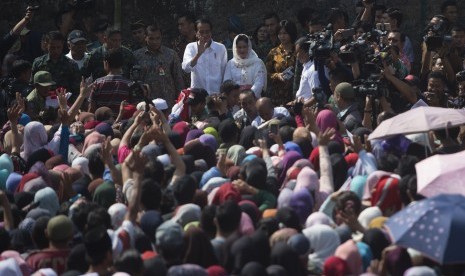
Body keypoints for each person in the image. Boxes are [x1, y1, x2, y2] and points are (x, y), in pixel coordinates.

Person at [134, 24, 184, 107]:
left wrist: (180, 100)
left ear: (161, 38)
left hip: (167, 102)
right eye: (151, 38)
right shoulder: (137, 56)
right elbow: (134, 80)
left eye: (158, 38)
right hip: (145, 102)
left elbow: (178, 78)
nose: (155, 41)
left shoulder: (171, 54)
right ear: (145, 37)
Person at [182, 18, 227, 95]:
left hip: (216, 95)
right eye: (201, 32)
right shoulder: (191, 47)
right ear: (196, 33)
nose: (205, 35)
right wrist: (198, 54)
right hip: (198, 97)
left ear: (211, 32)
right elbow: (186, 68)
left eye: (207, 32)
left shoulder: (220, 48)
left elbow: (224, 72)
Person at [31, 31, 81, 98]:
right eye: (52, 47)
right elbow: (33, 85)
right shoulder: (38, 63)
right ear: (46, 45)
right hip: (42, 102)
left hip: (65, 102)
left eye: (58, 47)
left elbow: (76, 90)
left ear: (63, 45)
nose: (56, 51)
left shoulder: (71, 65)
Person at [88, 48, 134, 113]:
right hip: (123, 121)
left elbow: (91, 108)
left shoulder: (97, 83)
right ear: (122, 64)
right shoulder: (129, 84)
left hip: (101, 122)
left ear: (106, 63)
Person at [265, 20, 297, 106]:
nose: (282, 36)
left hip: (295, 93)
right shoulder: (273, 52)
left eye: (285, 33)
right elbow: (266, 74)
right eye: (280, 33)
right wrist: (277, 75)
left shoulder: (298, 51)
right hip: (277, 96)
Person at [224, 34, 267, 99]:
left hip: (252, 100)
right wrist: (236, 97)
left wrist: (247, 97)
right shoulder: (230, 63)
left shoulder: (257, 62)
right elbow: (227, 82)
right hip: (235, 101)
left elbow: (259, 83)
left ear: (249, 47)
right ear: (235, 48)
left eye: (244, 47)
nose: (242, 50)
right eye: (239, 47)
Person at [172, 11, 197, 87]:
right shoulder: (176, 43)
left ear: (192, 25)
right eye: (178, 25)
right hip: (182, 85)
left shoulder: (202, 41)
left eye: (182, 25)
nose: (179, 28)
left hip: (200, 81)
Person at [294, 37, 320, 102]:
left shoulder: (313, 70)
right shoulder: (306, 66)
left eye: (299, 52)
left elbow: (317, 96)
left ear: (307, 52)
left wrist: (303, 105)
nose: (297, 55)